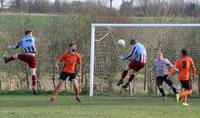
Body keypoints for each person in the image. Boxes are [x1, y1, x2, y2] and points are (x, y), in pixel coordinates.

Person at [3, 30, 37, 95]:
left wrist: (10, 46)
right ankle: (34, 88)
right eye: (31, 33)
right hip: (33, 57)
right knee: (33, 73)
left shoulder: (23, 39)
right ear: (28, 34)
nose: (32, 35)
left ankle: (7, 60)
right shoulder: (33, 38)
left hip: (27, 56)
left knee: (16, 55)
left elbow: (16, 46)